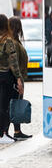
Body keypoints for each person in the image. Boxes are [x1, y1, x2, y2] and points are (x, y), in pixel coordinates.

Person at [0, 14, 24, 144]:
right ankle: (3, 133)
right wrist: (19, 79)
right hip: (5, 77)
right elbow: (13, 63)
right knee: (5, 106)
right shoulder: (7, 41)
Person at [8, 17, 32, 140]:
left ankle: (17, 131)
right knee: (13, 104)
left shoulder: (15, 41)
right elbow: (14, 63)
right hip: (15, 79)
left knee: (14, 104)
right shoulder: (13, 42)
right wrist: (18, 79)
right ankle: (10, 131)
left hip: (18, 77)